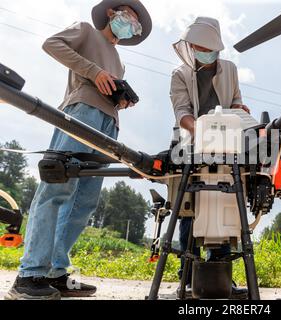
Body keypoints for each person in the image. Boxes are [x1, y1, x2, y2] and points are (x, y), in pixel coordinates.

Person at [6, 0, 152, 300]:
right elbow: (52, 44)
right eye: (129, 17)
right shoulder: (86, 30)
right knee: (57, 188)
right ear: (112, 13)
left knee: (84, 201)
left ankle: (55, 272)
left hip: (108, 124)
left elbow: (104, 83)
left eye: (136, 25)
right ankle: (30, 274)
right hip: (81, 113)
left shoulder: (119, 60)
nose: (131, 25)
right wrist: (93, 71)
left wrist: (120, 99)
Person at [170, 16, 249, 299]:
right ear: (190, 46)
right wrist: (203, 131)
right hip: (192, 143)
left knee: (223, 202)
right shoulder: (180, 74)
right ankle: (189, 276)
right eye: (198, 46)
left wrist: (240, 114)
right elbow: (183, 113)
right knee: (190, 208)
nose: (203, 50)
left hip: (227, 144)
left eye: (208, 46)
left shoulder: (229, 68)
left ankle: (221, 274)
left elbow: (237, 101)